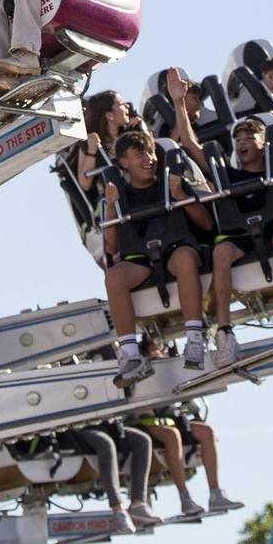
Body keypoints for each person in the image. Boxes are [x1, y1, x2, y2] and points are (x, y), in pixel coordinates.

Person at [165, 78, 273, 363]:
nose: (242, 143)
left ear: (264, 144)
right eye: (238, 140)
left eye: (249, 138)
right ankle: (225, 333)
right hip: (240, 235)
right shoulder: (229, 175)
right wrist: (178, 103)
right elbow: (189, 142)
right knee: (221, 251)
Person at [105, 130, 214, 384]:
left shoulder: (172, 183)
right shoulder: (118, 196)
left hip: (175, 249)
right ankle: (131, 355)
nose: (149, 159)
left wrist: (181, 197)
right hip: (141, 258)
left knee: (186, 258)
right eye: (140, 154)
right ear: (124, 163)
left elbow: (206, 224)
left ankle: (195, 339)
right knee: (114, 277)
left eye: (151, 153)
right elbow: (111, 247)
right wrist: (110, 207)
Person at [135, 401, 242, 519]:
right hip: (145, 420)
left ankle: (216, 494)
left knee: (207, 431)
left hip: (171, 418)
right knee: (172, 435)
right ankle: (185, 498)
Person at [54, 89, 126, 248]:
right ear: (109, 115)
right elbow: (84, 183)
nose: (126, 107)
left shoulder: (129, 137)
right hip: (112, 200)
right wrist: (93, 149)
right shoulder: (89, 145)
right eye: (121, 105)